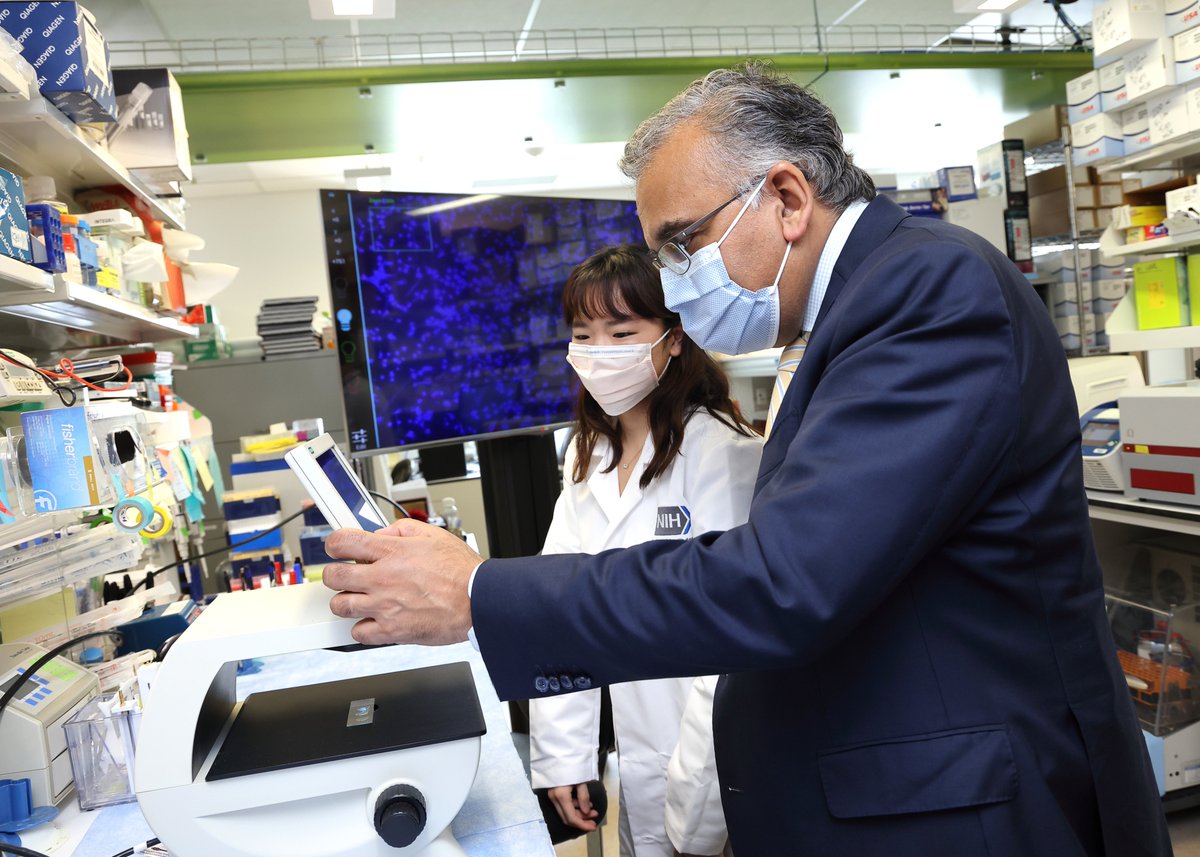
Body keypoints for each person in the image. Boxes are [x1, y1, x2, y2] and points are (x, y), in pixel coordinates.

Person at [322, 61, 1172, 856]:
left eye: (681, 243)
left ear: (787, 198)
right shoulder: (854, 313)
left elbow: (784, 581)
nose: (675, 281)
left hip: (965, 809)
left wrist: (479, 593)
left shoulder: (928, 293)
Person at [531, 246, 761, 857]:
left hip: (722, 773)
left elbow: (736, 640)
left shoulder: (721, 451)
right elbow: (560, 606)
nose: (600, 351)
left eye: (622, 331)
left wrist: (696, 814)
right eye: (584, 334)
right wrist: (564, 756)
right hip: (637, 764)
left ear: (674, 338)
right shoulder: (587, 457)